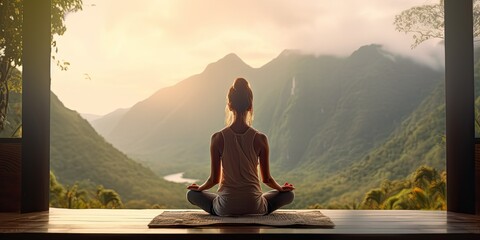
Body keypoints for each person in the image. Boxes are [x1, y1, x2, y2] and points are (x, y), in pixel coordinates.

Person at [186, 77, 295, 216]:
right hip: (255, 207)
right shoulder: (260, 139)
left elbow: (214, 179)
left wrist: (199, 188)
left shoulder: (218, 138)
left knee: (191, 194)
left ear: (229, 106)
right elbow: (266, 179)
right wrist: (281, 188)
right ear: (250, 106)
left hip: (225, 209)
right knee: (289, 195)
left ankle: (222, 206)